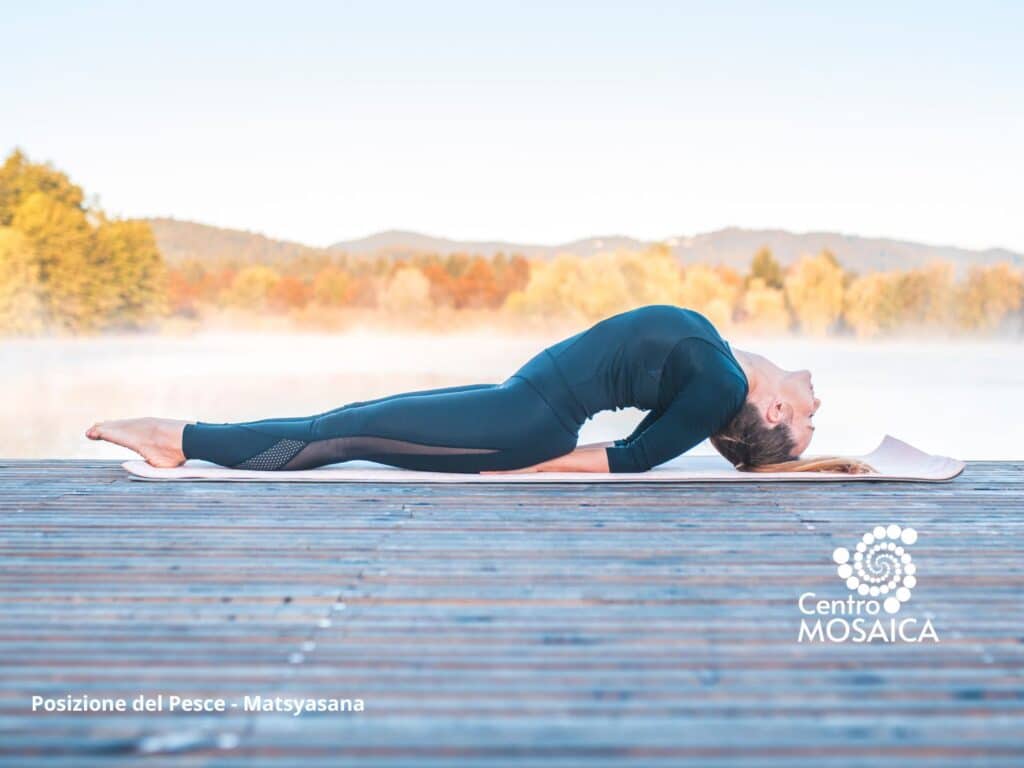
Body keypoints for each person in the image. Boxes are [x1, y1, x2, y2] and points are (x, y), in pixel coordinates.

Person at [86, 305, 873, 474]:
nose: (814, 403)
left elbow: (630, 459)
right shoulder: (719, 365)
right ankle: (181, 439)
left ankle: (176, 438)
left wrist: (520, 464)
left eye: (807, 423)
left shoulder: (719, 382)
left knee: (346, 432)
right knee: (353, 423)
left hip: (526, 423)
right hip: (519, 402)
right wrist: (809, 461)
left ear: (772, 411)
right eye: (814, 418)